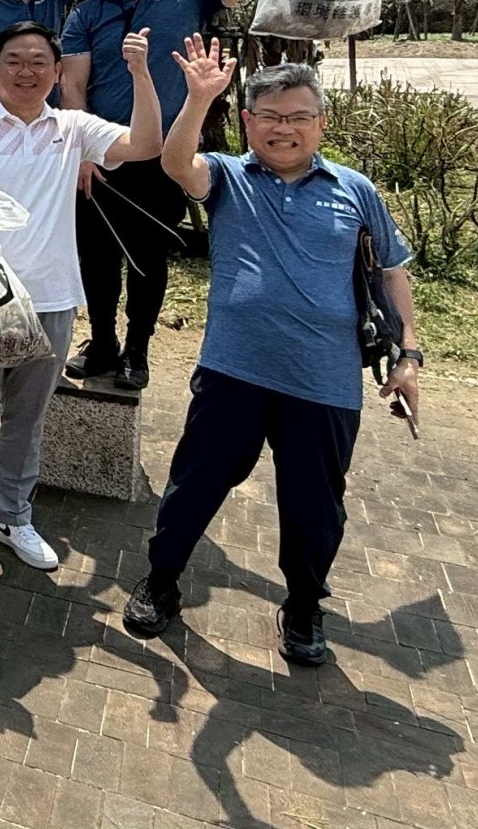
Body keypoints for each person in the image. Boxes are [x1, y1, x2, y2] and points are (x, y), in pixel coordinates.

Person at [125, 46, 421, 667]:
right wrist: (200, 97)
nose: (284, 127)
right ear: (248, 122)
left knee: (315, 504)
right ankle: (161, 579)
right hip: (234, 369)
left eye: (299, 116)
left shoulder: (355, 191)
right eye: (270, 115)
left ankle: (306, 603)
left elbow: (392, 272)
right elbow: (176, 162)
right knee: (195, 484)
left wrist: (409, 355)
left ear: (321, 122)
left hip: (325, 380)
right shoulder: (231, 177)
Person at [0, 21, 161, 576]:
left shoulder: (71, 128)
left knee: (28, 417)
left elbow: (146, 144)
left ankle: (12, 516)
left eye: (37, 62)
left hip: (50, 297)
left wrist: (141, 74)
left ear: (56, 71)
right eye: (13, 61)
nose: (26, 72)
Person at [60, 0, 273, 390]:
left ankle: (137, 348)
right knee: (96, 256)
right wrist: (83, 153)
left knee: (148, 257)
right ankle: (101, 342)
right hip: (105, 152)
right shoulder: (87, 14)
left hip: (167, 157)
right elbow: (72, 85)